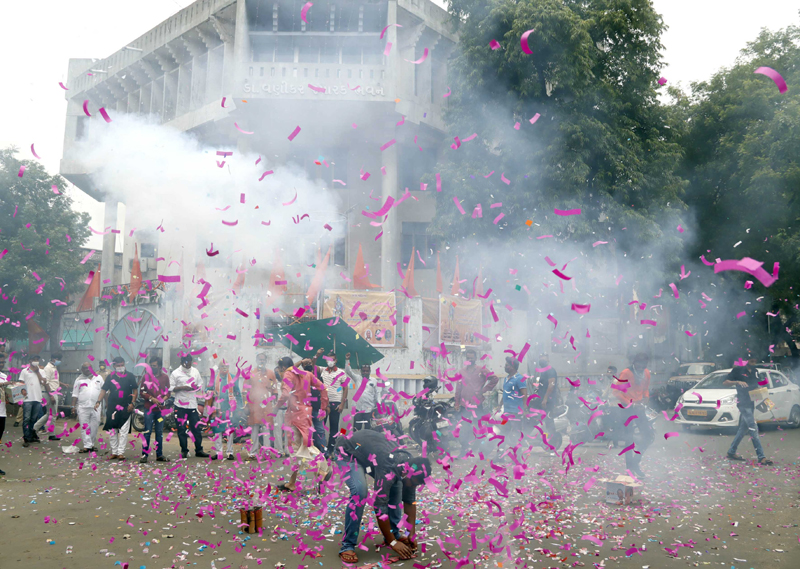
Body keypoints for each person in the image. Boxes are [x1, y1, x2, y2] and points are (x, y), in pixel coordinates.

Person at [333, 429, 432, 564]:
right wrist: (392, 543)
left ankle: (393, 533)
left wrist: (411, 534)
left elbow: (409, 502)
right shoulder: (388, 467)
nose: (413, 487)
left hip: (370, 454)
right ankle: (348, 545)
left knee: (396, 487)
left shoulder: (410, 466)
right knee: (360, 493)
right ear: (407, 473)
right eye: (414, 483)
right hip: (348, 451)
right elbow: (380, 507)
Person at [276, 357, 329, 492]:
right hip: (306, 414)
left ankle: (323, 470)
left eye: (279, 370)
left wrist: (276, 408)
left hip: (294, 416)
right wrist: (323, 407)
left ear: (282, 368)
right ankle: (292, 483)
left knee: (300, 450)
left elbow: (285, 394)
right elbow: (323, 388)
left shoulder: (288, 374)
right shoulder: (308, 374)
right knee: (302, 447)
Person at [611, 353, 655, 477]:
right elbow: (616, 392)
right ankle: (629, 468)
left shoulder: (646, 373)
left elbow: (645, 388)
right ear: (634, 363)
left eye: (643, 366)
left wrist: (646, 397)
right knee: (629, 439)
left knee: (648, 436)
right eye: (639, 366)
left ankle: (635, 463)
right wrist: (630, 403)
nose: (641, 368)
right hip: (627, 408)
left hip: (639, 407)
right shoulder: (626, 373)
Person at [724, 357, 773, 465]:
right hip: (742, 403)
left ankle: (731, 452)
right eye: (751, 359)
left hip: (751, 404)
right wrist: (737, 382)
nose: (754, 361)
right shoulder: (737, 370)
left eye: (755, 359)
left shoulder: (755, 372)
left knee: (743, 429)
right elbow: (725, 382)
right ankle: (762, 457)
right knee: (753, 428)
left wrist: (762, 393)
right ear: (746, 360)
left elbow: (756, 386)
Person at [94, 356, 138, 460]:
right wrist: (98, 401)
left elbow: (135, 391)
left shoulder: (130, 376)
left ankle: (120, 453)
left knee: (123, 431)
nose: (120, 367)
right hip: (112, 407)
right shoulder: (110, 377)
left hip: (126, 407)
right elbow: (104, 390)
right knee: (113, 431)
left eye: (122, 365)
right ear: (114, 366)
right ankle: (114, 452)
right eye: (118, 366)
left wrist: (132, 403)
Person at [170, 354, 209, 459]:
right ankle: (184, 450)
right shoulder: (175, 373)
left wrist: (196, 387)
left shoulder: (195, 371)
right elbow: (171, 388)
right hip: (180, 404)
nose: (188, 364)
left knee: (196, 428)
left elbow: (201, 385)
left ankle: (199, 450)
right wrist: (183, 387)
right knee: (181, 429)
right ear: (182, 362)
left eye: (189, 362)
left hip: (192, 404)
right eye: (185, 362)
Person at [139, 356, 171, 463]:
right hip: (149, 410)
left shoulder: (165, 377)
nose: (153, 368)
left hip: (161, 411)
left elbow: (168, 392)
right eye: (151, 366)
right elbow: (142, 392)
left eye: (155, 366)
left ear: (160, 366)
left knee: (159, 432)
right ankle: (144, 455)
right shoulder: (146, 377)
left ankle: (159, 454)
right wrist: (151, 398)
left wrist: (163, 399)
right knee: (147, 431)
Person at [207, 361, 241, 461]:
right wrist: (210, 391)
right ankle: (218, 452)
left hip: (229, 407)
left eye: (226, 366)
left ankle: (230, 452)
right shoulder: (214, 379)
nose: (224, 368)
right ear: (219, 367)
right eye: (222, 366)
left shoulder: (233, 377)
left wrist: (240, 407)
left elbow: (237, 393)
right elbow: (207, 389)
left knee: (229, 430)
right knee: (217, 431)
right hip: (216, 408)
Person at [247, 353, 276, 459]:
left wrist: (273, 402)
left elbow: (275, 389)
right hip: (254, 405)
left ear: (266, 361)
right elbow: (245, 390)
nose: (262, 361)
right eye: (260, 359)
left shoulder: (271, 373)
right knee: (254, 429)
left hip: (267, 406)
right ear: (256, 360)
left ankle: (267, 452)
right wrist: (247, 406)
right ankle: (253, 452)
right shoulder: (251, 373)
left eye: (263, 360)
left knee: (266, 429)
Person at [71, 363, 104, 454]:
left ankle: (91, 444)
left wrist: (106, 405)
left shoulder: (99, 378)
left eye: (89, 368)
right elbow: (75, 394)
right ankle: (87, 446)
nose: (87, 370)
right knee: (85, 426)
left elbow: (104, 391)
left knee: (95, 425)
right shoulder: (78, 380)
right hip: (82, 406)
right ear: (82, 369)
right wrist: (73, 406)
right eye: (85, 368)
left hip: (96, 406)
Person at [344, 353, 382, 431]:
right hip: (358, 409)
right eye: (363, 371)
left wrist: (379, 405)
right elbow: (348, 371)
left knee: (369, 430)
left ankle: (368, 443)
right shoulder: (358, 378)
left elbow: (378, 394)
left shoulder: (374, 381)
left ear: (370, 371)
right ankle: (356, 443)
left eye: (367, 371)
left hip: (369, 410)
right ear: (361, 371)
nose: (365, 372)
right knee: (357, 429)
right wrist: (347, 360)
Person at [320, 351, 347, 454]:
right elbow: (314, 368)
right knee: (321, 427)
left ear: (335, 361)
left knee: (334, 428)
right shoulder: (323, 371)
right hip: (324, 403)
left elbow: (345, 389)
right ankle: (322, 449)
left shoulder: (341, 372)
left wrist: (342, 404)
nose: (330, 362)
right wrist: (317, 356)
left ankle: (331, 450)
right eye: (328, 359)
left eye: (332, 359)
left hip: (336, 403)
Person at [34, 352, 63, 440]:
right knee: (53, 414)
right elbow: (46, 382)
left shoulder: (54, 367)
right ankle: (51, 434)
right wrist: (51, 395)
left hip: (52, 392)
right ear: (55, 359)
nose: (59, 361)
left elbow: (53, 381)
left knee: (49, 414)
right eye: (59, 359)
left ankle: (34, 428)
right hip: (50, 392)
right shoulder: (48, 368)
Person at [530, 355, 560, 442]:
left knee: (549, 421)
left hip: (548, 401)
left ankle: (553, 444)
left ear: (548, 359)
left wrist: (545, 399)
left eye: (543, 357)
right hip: (542, 399)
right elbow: (544, 385)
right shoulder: (543, 372)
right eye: (540, 357)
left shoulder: (550, 370)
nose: (541, 359)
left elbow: (551, 385)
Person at [20, 355, 47, 447]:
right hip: (27, 398)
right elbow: (21, 383)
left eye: (37, 360)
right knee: (26, 418)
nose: (36, 361)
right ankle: (26, 438)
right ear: (30, 360)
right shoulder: (24, 371)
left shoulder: (42, 371)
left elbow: (43, 382)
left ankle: (31, 436)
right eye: (34, 360)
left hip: (37, 398)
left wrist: (38, 372)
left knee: (34, 419)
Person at [0, 352, 9, 475]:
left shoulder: (4, 376)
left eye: (2, 362)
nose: (1, 364)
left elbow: (7, 394)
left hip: (2, 412)